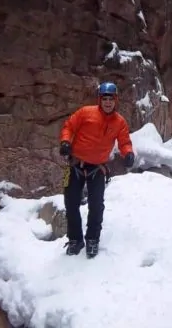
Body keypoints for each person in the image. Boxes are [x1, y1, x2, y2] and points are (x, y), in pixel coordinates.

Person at [59, 81, 135, 258]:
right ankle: (75, 239)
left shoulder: (119, 122)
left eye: (111, 99)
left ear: (115, 100)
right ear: (99, 100)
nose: (108, 102)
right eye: (104, 98)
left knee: (96, 206)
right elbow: (69, 126)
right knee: (71, 204)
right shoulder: (86, 113)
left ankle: (92, 239)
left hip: (98, 168)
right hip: (75, 164)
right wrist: (65, 142)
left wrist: (128, 154)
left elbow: (124, 142)